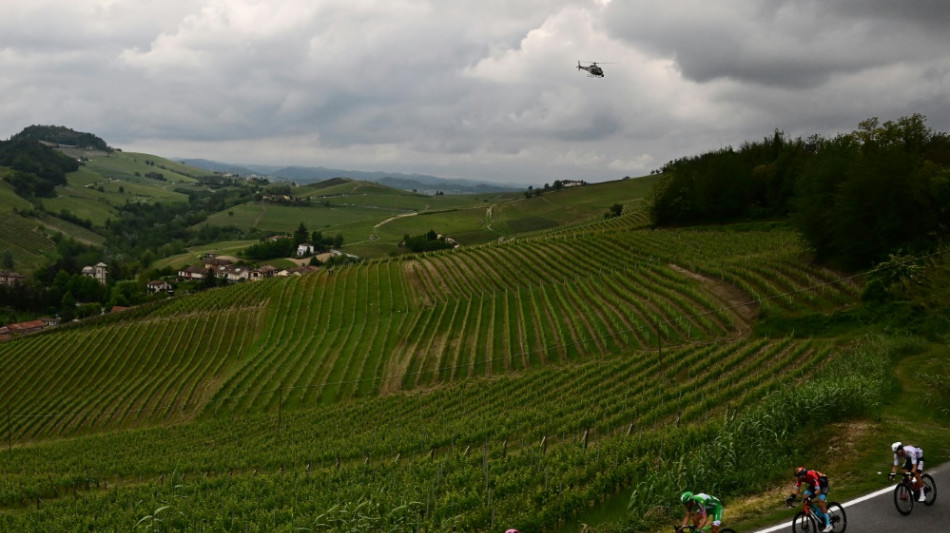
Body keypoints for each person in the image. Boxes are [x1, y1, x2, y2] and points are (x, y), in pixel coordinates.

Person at [788, 466, 832, 532]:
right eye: (797, 477)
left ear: (803, 475)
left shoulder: (811, 474)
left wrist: (810, 497)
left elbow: (818, 491)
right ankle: (818, 513)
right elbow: (797, 489)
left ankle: (829, 525)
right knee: (805, 496)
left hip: (823, 483)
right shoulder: (800, 478)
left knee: (820, 502)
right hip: (814, 484)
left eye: (798, 476)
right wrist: (791, 497)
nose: (797, 478)